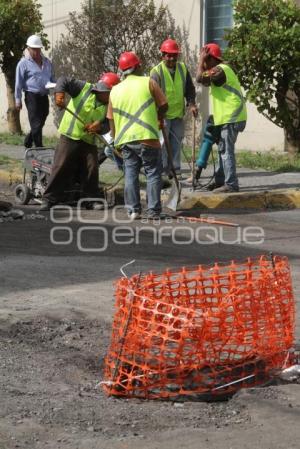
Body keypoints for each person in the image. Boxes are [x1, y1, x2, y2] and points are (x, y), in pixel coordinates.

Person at [39, 72, 120, 211]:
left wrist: (99, 127)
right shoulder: (83, 88)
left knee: (92, 167)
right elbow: (63, 78)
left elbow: (108, 125)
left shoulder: (111, 104)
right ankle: (49, 199)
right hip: (70, 136)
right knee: (61, 165)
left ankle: (91, 200)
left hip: (89, 140)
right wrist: (59, 94)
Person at [107, 51, 168, 219]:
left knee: (131, 173)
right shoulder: (149, 82)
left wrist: (115, 137)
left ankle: (133, 210)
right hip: (147, 137)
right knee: (153, 172)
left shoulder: (115, 90)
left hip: (126, 140)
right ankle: (154, 211)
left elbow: (111, 119)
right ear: (137, 66)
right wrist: (159, 118)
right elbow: (163, 104)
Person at [194, 43, 247, 193]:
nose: (203, 62)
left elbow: (199, 77)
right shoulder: (218, 70)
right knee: (222, 150)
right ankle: (220, 181)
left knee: (226, 151)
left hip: (232, 117)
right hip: (226, 117)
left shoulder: (220, 71)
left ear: (211, 58)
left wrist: (200, 61)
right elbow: (203, 80)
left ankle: (231, 184)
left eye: (205, 58)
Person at [150, 39, 197, 175]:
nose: (171, 58)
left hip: (177, 114)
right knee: (164, 145)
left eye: (174, 55)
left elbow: (189, 88)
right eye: (168, 55)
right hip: (162, 116)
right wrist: (156, 116)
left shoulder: (182, 68)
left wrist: (191, 103)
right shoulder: (156, 72)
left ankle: (175, 171)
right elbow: (152, 96)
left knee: (176, 143)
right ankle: (164, 172)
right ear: (163, 55)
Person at [15, 35, 55, 148]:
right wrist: (18, 100)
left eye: (38, 49)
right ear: (28, 49)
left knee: (44, 116)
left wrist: (55, 85)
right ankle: (39, 146)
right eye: (34, 49)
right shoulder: (23, 63)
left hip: (44, 94)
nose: (36, 52)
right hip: (31, 95)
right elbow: (18, 83)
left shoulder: (47, 62)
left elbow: (52, 78)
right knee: (36, 121)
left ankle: (29, 139)